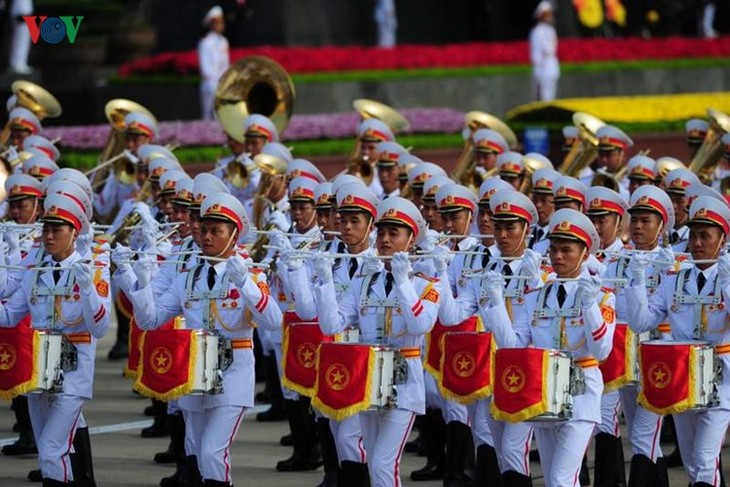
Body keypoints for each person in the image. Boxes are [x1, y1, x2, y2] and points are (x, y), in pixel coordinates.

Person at [125, 192, 283, 487]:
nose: (206, 236)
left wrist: (244, 284)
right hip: (194, 373)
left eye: (216, 231)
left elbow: (273, 320)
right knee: (195, 450)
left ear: (234, 235)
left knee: (212, 452)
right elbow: (150, 320)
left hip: (232, 371)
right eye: (205, 229)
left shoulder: (249, 272)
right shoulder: (188, 276)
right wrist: (135, 280)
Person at [482, 208, 616, 486]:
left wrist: (590, 307)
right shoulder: (535, 296)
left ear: (585, 254)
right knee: (563, 478)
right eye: (554, 249)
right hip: (544, 393)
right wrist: (495, 304)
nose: (557, 256)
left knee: (560, 478)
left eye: (566, 250)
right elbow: (513, 347)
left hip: (581, 395)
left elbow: (601, 351)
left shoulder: (602, 296)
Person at [312, 196, 439, 487]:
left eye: (394, 234)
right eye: (381, 233)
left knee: (383, 463)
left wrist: (403, 280)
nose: (384, 240)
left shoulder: (426, 284)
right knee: (362, 453)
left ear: (410, 240)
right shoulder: (363, 281)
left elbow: (420, 324)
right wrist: (324, 281)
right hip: (368, 381)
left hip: (404, 384)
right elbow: (332, 324)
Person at [0, 193, 111, 486]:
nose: (48, 236)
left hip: (73, 373)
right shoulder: (34, 269)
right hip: (38, 369)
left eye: (57, 229)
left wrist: (88, 288)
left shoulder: (92, 267)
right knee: (50, 451)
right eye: (46, 229)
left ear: (74, 232)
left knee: (51, 448)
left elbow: (99, 327)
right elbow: (11, 315)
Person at [625, 195, 730, 486]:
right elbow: (640, 322)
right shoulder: (674, 279)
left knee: (706, 459)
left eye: (705, 236)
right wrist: (635, 282)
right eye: (694, 235)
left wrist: (728, 283)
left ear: (722, 239)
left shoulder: (727, 276)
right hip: (684, 377)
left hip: (722, 380)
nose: (697, 243)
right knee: (691, 462)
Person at [198, 6, 230, 120]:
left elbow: (226, 63)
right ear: (212, 25)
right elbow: (205, 68)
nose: (221, 25)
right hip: (210, 82)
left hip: (221, 82)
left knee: (220, 115)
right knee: (207, 114)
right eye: (218, 23)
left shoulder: (224, 42)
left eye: (222, 22)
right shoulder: (205, 43)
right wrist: (216, 79)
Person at [529, 1, 559, 101]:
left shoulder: (551, 30)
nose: (549, 17)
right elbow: (536, 52)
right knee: (543, 95)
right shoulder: (537, 31)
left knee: (551, 93)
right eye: (547, 14)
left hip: (551, 65)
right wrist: (538, 69)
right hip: (542, 67)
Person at [8, 0, 33, 74]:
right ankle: (17, 63)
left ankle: (20, 62)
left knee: (23, 41)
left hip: (25, 15)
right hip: (21, 15)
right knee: (19, 41)